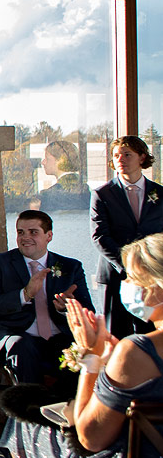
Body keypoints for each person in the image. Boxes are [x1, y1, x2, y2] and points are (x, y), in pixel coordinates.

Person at [0, 233, 163, 458]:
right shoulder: (131, 353)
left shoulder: (139, 352)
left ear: (156, 288)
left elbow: (89, 437)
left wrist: (91, 358)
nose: (126, 286)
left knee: (26, 430)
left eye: (131, 278)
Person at [0, 210, 94, 386]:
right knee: (23, 346)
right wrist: (25, 294)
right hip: (17, 334)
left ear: (49, 236)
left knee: (80, 350)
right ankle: (29, 409)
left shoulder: (71, 267)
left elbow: (88, 311)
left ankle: (70, 408)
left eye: (33, 232)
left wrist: (66, 308)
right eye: (20, 232)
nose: (25, 238)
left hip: (58, 336)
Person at [91, 135, 163, 338]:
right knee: (116, 335)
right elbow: (99, 237)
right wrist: (128, 266)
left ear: (141, 157)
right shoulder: (102, 194)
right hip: (116, 275)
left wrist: (151, 266)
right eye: (116, 155)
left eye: (126, 154)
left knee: (151, 335)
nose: (120, 159)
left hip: (152, 277)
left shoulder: (160, 193)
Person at [39, 140, 90, 213]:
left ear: (60, 160)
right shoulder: (87, 190)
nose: (43, 162)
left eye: (47, 158)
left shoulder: (50, 195)